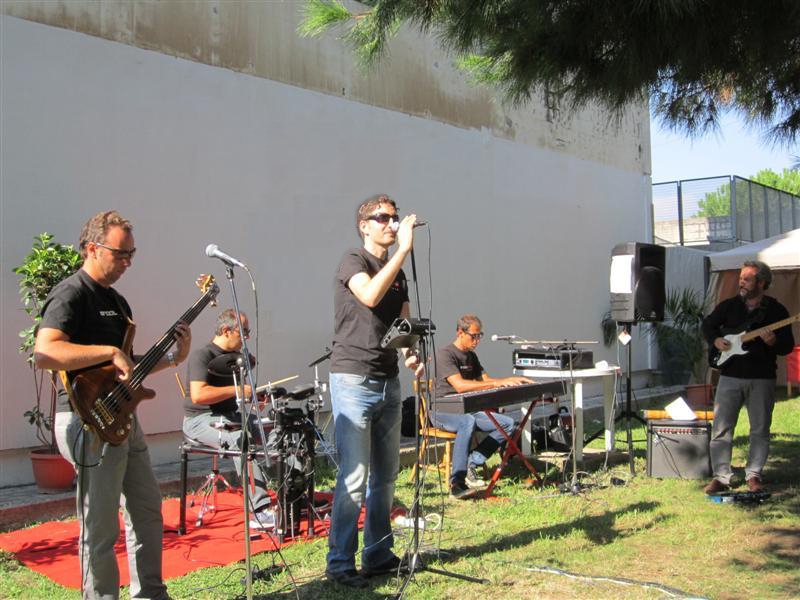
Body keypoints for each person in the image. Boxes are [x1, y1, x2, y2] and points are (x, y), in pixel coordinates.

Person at [35, 210, 191, 600]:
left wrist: (174, 357)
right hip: (86, 421)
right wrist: (106, 351)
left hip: (123, 418)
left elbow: (127, 366)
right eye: (121, 254)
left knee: (147, 509)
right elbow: (45, 352)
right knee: (101, 526)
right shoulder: (71, 293)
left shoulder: (118, 302)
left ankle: (151, 593)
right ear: (92, 248)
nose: (127, 263)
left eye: (131, 254)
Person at [325, 194, 424, 588]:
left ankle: (378, 555)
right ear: (364, 225)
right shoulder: (354, 260)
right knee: (354, 476)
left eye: (394, 217)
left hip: (388, 380)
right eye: (382, 217)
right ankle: (339, 562)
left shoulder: (397, 272)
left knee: (385, 477)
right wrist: (403, 250)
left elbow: (402, 325)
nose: (391, 223)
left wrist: (412, 354)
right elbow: (368, 295)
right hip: (353, 379)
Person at [701, 260, 794, 494]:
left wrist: (773, 342)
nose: (741, 282)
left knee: (760, 429)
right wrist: (716, 340)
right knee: (721, 428)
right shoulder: (729, 306)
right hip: (730, 375)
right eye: (741, 278)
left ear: (761, 283)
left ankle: (754, 475)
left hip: (762, 377)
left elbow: (787, 346)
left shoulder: (777, 311)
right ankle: (721, 477)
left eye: (747, 279)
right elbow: (708, 325)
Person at [183, 309, 273, 527]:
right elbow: (198, 395)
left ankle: (295, 497)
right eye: (244, 332)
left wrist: (255, 397)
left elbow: (238, 395)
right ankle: (259, 511)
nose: (247, 337)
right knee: (239, 439)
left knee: (278, 427)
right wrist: (238, 390)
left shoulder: (236, 358)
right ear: (226, 330)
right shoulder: (202, 356)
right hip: (200, 419)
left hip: (231, 415)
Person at [433, 314, 532, 499]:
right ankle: (457, 483)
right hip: (443, 410)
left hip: (467, 410)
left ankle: (471, 461)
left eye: (480, 336)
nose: (477, 341)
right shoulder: (445, 354)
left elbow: (486, 381)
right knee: (467, 422)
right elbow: (460, 386)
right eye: (474, 336)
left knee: (507, 424)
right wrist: (494, 384)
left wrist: (509, 380)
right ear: (460, 333)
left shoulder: (472, 356)